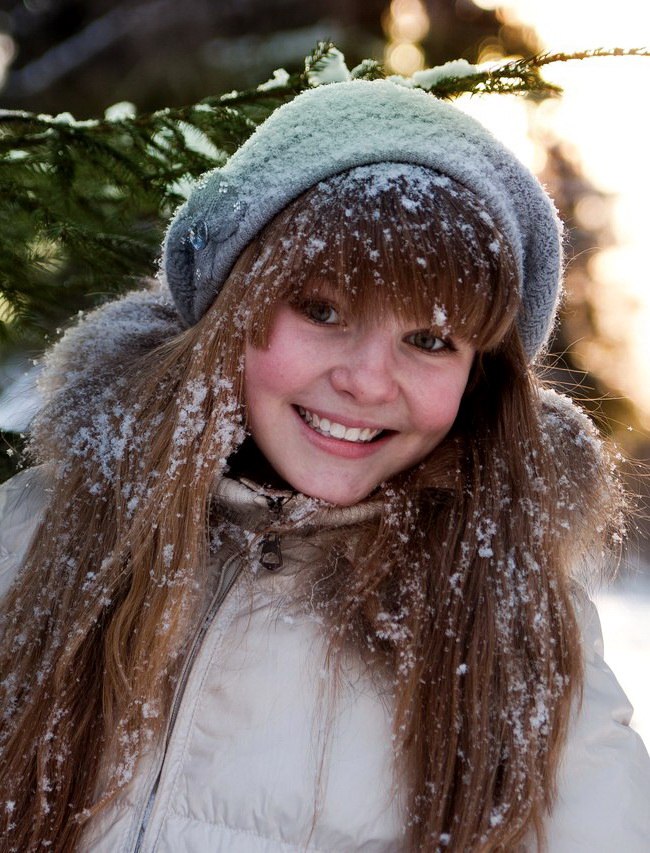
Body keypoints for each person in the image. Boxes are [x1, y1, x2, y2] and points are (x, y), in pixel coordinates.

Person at [1, 78, 649, 853]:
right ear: (232, 305)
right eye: (323, 310)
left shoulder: (517, 626)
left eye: (429, 340)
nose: (368, 382)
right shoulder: (35, 529)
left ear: (478, 377)